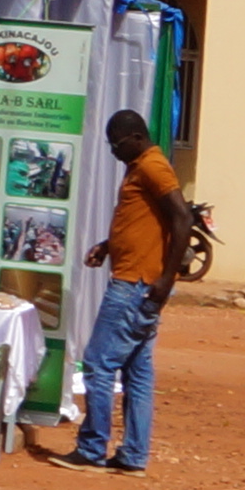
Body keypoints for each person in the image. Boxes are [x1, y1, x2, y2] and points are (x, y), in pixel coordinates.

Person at [68, 109, 189, 471]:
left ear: (136, 138)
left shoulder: (153, 167)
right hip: (141, 282)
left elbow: (182, 218)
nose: (113, 152)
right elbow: (144, 222)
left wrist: (167, 279)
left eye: (117, 144)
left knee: (98, 363)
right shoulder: (139, 166)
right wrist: (109, 245)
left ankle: (92, 449)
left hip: (135, 285)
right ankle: (134, 454)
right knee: (137, 370)